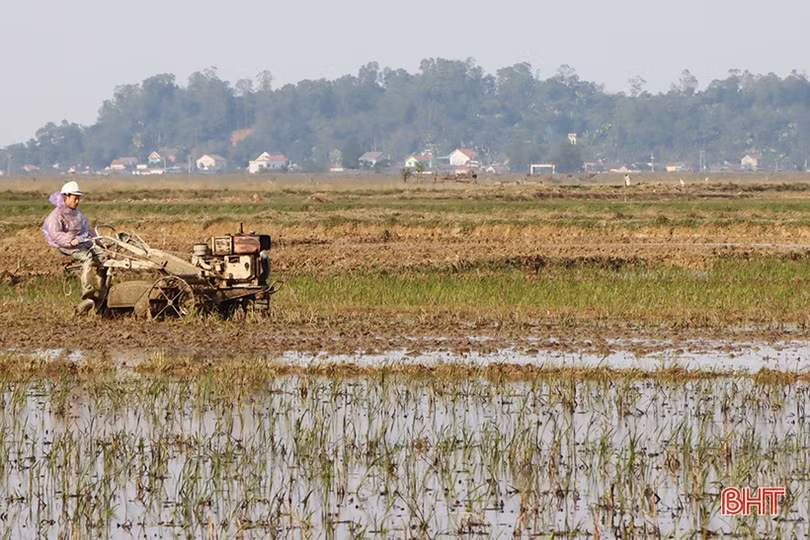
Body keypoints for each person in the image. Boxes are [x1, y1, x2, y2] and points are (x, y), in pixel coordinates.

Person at [43, 181, 107, 314]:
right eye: (74, 198)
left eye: (78, 198)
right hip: (68, 246)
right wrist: (70, 241)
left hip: (82, 243)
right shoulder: (56, 216)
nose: (77, 201)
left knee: (104, 256)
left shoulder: (78, 215)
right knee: (87, 257)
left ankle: (103, 289)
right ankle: (87, 288)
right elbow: (55, 234)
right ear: (65, 197)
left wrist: (102, 242)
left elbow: (88, 232)